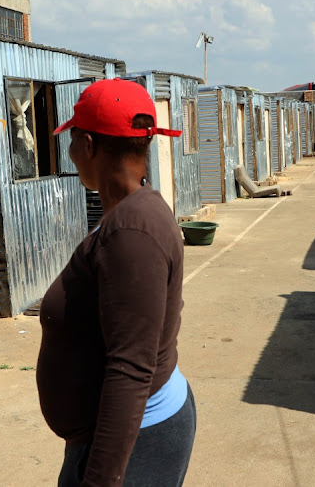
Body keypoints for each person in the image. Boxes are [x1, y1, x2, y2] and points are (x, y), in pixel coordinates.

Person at [36, 78, 196, 487]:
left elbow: (131, 367)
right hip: (131, 432)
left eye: (71, 142)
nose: (70, 155)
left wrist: (99, 479)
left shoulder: (131, 232)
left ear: (88, 145)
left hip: (136, 439)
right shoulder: (133, 212)